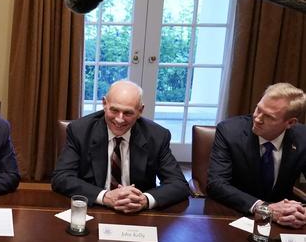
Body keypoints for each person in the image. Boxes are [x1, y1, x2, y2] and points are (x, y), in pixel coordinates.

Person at [52, 80, 190, 212]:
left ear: (140, 110)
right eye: (114, 110)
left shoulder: (157, 136)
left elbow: (179, 184)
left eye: (128, 113)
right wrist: (105, 197)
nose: (119, 119)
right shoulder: (80, 131)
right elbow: (61, 177)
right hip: (94, 208)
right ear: (104, 104)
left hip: (138, 212)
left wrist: (145, 200)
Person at [207, 82, 306, 228]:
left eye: (269, 117)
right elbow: (216, 184)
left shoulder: (303, 137)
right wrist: (264, 208)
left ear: (290, 123)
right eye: (258, 109)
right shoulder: (230, 131)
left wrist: (301, 212)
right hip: (237, 215)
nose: (258, 118)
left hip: (284, 222)